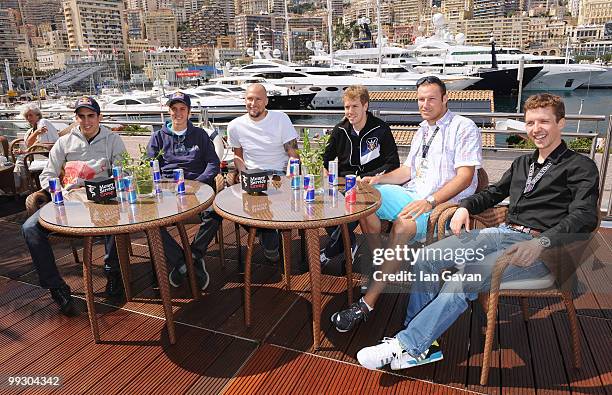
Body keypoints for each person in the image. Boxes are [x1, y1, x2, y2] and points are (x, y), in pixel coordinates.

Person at [356, 93, 600, 370]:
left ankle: (408, 344)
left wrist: (541, 242)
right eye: (530, 122)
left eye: (544, 121)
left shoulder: (580, 167)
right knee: (426, 259)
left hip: (543, 251)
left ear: (561, 123)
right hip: (503, 234)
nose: (536, 129)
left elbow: (585, 216)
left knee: (463, 280)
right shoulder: (524, 163)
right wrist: (464, 207)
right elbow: (495, 192)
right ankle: (424, 344)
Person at [330, 76, 483, 332]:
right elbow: (408, 171)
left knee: (402, 225)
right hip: (414, 194)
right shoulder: (422, 129)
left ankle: (367, 304)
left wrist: (430, 201)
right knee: (363, 196)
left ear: (446, 99)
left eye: (431, 98)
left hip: (440, 205)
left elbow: (466, 176)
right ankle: (383, 261)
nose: (425, 104)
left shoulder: (463, 127)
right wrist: (377, 179)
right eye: (421, 99)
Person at [21, 97, 127, 316]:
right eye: (81, 116)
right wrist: (57, 191)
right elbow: (48, 174)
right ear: (76, 118)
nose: (86, 121)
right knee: (30, 228)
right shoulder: (64, 142)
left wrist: (110, 183)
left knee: (116, 214)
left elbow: (123, 171)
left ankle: (113, 272)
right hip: (70, 201)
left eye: (91, 116)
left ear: (99, 117)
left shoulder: (113, 139)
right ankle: (56, 287)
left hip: (103, 199)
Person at [147, 91, 220, 290]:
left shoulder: (200, 135)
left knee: (215, 214)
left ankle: (194, 254)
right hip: (168, 189)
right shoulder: (158, 137)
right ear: (169, 111)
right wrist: (164, 185)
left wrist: (198, 182)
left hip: (198, 188)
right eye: (174, 109)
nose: (178, 113)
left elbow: (214, 164)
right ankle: (182, 261)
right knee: (150, 222)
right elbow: (149, 166)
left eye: (182, 109)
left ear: (189, 112)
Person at [320, 85, 400, 266]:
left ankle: (334, 248)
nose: (350, 111)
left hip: (372, 183)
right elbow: (325, 159)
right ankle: (348, 243)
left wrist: (369, 177)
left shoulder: (380, 129)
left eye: (354, 106)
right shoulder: (340, 130)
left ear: (365, 106)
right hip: (343, 183)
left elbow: (393, 163)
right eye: (347, 107)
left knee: (351, 204)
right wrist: (326, 177)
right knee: (324, 204)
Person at [227, 83, 299, 262]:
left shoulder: (280, 119)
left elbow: (294, 155)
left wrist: (291, 175)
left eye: (258, 99)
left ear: (266, 101)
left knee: (262, 200)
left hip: (278, 174)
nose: (253, 103)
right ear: (245, 100)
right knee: (230, 204)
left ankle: (266, 236)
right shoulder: (235, 126)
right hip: (252, 174)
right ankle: (266, 233)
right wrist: (244, 175)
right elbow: (238, 157)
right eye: (249, 99)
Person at [13, 104, 60, 192]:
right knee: (20, 160)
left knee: (20, 161)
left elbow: (42, 144)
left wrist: (25, 151)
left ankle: (24, 188)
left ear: (37, 115)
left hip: (46, 153)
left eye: (30, 115)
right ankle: (24, 187)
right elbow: (29, 144)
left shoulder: (43, 123)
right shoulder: (34, 128)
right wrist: (24, 150)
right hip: (37, 153)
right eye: (26, 116)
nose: (28, 118)